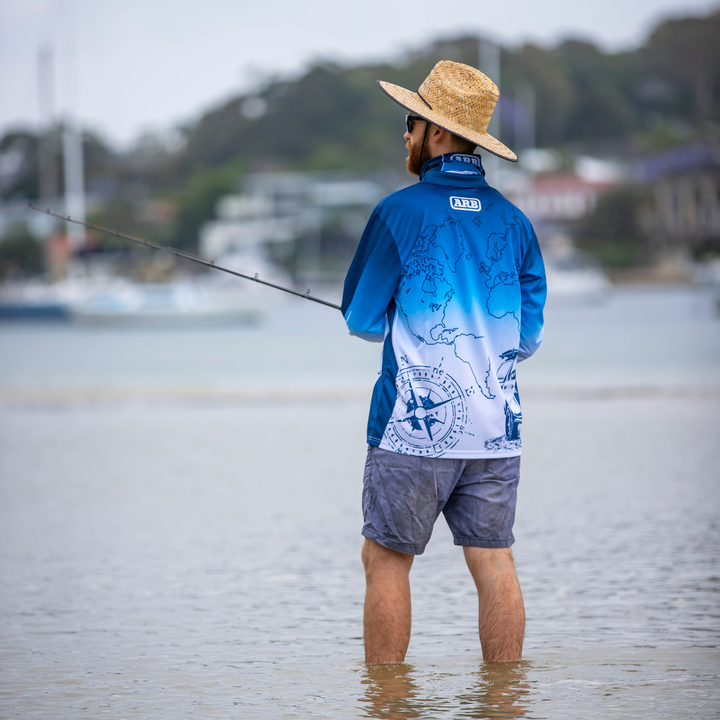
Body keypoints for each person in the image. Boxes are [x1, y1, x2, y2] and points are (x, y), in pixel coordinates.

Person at [341, 60, 547, 664]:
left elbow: (359, 318)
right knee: (492, 558)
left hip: (414, 423)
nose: (403, 136)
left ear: (433, 133)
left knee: (385, 560)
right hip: (495, 428)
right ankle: (506, 698)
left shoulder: (398, 212)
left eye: (410, 124)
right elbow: (526, 340)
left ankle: (387, 701)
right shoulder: (516, 221)